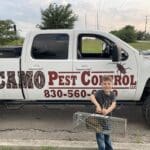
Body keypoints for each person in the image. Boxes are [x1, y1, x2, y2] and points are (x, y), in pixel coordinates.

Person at [90, 75, 116, 150]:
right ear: (101, 85)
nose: (106, 85)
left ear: (112, 85)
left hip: (107, 120)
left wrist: (107, 111)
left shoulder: (112, 94)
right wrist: (98, 106)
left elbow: (113, 105)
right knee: (100, 140)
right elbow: (92, 96)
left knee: (107, 138)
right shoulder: (99, 93)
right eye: (104, 84)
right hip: (97, 120)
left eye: (108, 83)